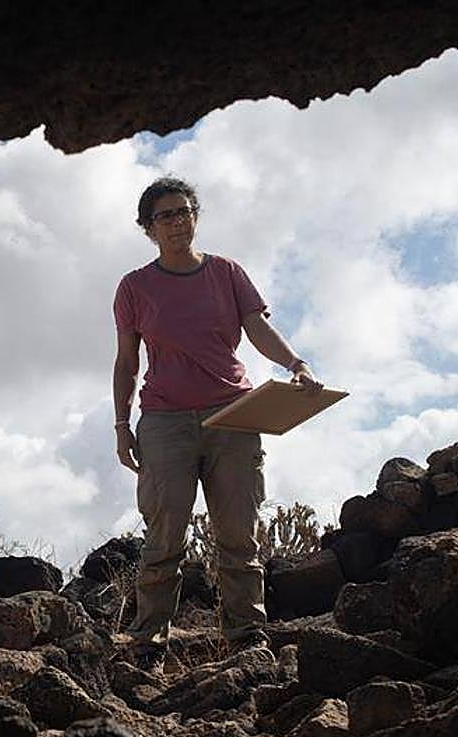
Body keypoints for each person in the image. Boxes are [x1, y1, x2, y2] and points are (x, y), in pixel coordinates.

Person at [112, 176, 322, 672]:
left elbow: (256, 327)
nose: (178, 221)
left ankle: (247, 641)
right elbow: (126, 362)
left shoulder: (227, 272)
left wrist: (296, 365)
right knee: (165, 537)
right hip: (163, 421)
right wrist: (122, 426)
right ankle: (147, 648)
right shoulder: (135, 287)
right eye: (166, 215)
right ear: (148, 228)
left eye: (185, 211)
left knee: (238, 535)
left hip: (233, 415)